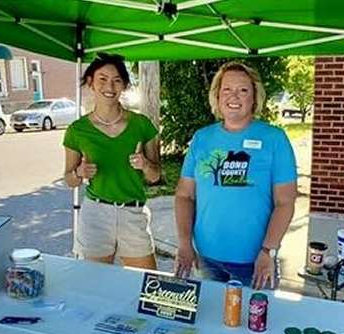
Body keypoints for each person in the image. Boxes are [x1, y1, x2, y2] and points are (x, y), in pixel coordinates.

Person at [174, 62, 298, 289]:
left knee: (256, 323)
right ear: (217, 96)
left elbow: (286, 202)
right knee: (210, 321)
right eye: (227, 89)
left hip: (255, 261)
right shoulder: (202, 138)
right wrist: (184, 243)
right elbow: (184, 196)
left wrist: (268, 251)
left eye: (243, 90)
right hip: (208, 258)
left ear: (254, 98)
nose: (234, 96)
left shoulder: (274, 139)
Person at [63, 53, 161, 270]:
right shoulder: (77, 130)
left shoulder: (142, 125)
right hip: (96, 214)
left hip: (133, 213)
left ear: (124, 85)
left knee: (147, 284)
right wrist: (79, 173)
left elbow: (155, 176)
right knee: (94, 285)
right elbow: (69, 180)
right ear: (90, 82)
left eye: (117, 80)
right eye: (102, 79)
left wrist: (145, 165)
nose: (110, 85)